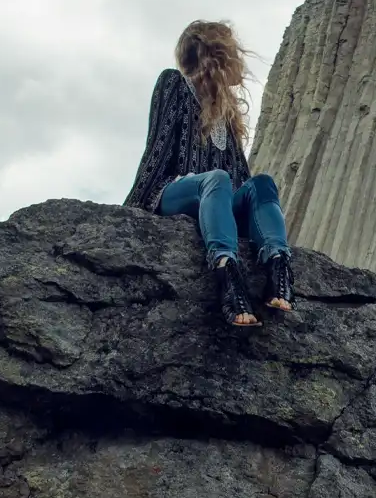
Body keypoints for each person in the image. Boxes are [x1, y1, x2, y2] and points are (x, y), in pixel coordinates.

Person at [123, 20, 295, 326]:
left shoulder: (225, 114)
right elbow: (157, 150)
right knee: (217, 178)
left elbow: (242, 179)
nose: (240, 60)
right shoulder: (173, 83)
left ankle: (278, 268)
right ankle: (228, 277)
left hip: (216, 199)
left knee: (263, 183)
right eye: (234, 51)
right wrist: (130, 216)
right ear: (217, 54)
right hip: (172, 192)